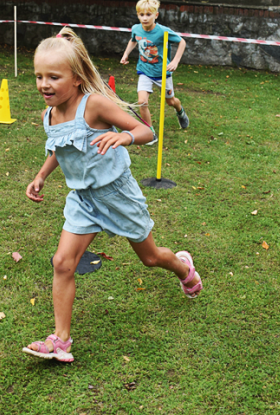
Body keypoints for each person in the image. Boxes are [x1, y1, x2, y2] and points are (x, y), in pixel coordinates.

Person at [22, 27, 202, 363]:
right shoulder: (50, 113)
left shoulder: (94, 105)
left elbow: (146, 131)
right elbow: (61, 149)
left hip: (118, 194)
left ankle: (184, 268)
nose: (44, 85)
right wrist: (42, 175)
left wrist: (124, 138)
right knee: (62, 263)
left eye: (53, 77)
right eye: (38, 76)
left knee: (150, 258)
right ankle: (60, 340)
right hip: (84, 199)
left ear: (76, 78)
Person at [120, 0, 189, 145]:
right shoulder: (136, 29)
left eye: (148, 14)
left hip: (162, 73)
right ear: (137, 15)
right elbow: (133, 40)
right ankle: (150, 132)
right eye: (141, 14)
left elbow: (182, 42)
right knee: (142, 101)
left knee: (170, 101)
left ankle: (180, 111)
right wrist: (126, 54)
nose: (145, 18)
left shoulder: (163, 31)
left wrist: (175, 61)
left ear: (156, 15)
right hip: (144, 71)